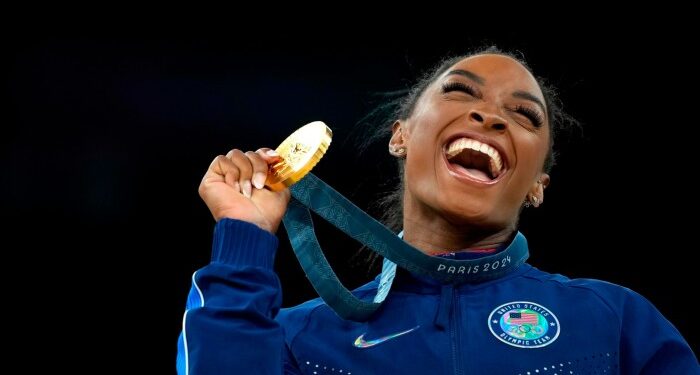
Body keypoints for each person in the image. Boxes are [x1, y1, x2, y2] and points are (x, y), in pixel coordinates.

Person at [177, 48, 699, 374]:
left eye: (523, 115)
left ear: (539, 184)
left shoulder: (620, 325)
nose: (489, 115)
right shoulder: (299, 341)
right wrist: (243, 238)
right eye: (459, 92)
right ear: (401, 136)